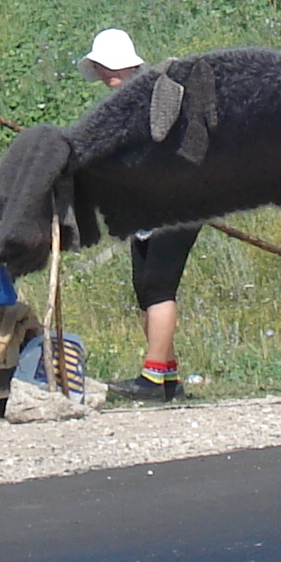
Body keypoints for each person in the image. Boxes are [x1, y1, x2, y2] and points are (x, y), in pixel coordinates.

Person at [82, 28, 197, 402]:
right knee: (145, 287)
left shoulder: (154, 96)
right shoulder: (129, 100)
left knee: (159, 287)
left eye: (110, 65)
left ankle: (151, 379)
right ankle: (167, 377)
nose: (107, 73)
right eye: (103, 67)